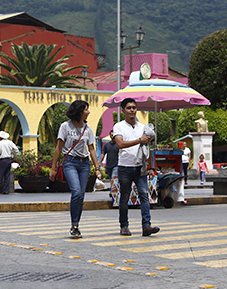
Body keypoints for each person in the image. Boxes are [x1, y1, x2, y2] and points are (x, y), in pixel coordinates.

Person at [50, 100, 102, 239]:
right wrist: (53, 168)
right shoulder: (65, 127)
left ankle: (76, 225)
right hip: (70, 162)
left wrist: (97, 168)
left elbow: (91, 148)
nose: (88, 112)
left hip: (84, 163)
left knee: (81, 196)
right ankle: (73, 225)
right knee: (76, 192)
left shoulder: (88, 128)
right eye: (86, 109)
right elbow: (58, 147)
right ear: (79, 111)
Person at [113, 97, 159, 237]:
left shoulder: (142, 127)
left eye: (134, 107)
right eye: (129, 108)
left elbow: (147, 148)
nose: (132, 110)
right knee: (125, 197)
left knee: (144, 196)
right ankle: (124, 226)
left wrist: (151, 166)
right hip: (125, 167)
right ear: (123, 110)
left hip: (140, 167)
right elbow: (120, 144)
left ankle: (146, 225)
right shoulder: (119, 126)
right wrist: (139, 140)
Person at [101, 130, 119, 198]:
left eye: (114, 135)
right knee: (112, 179)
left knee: (113, 178)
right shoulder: (107, 145)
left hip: (116, 165)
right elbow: (103, 153)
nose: (113, 137)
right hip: (109, 165)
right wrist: (99, 162)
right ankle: (115, 191)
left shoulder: (118, 144)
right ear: (110, 136)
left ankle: (112, 192)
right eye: (112, 135)